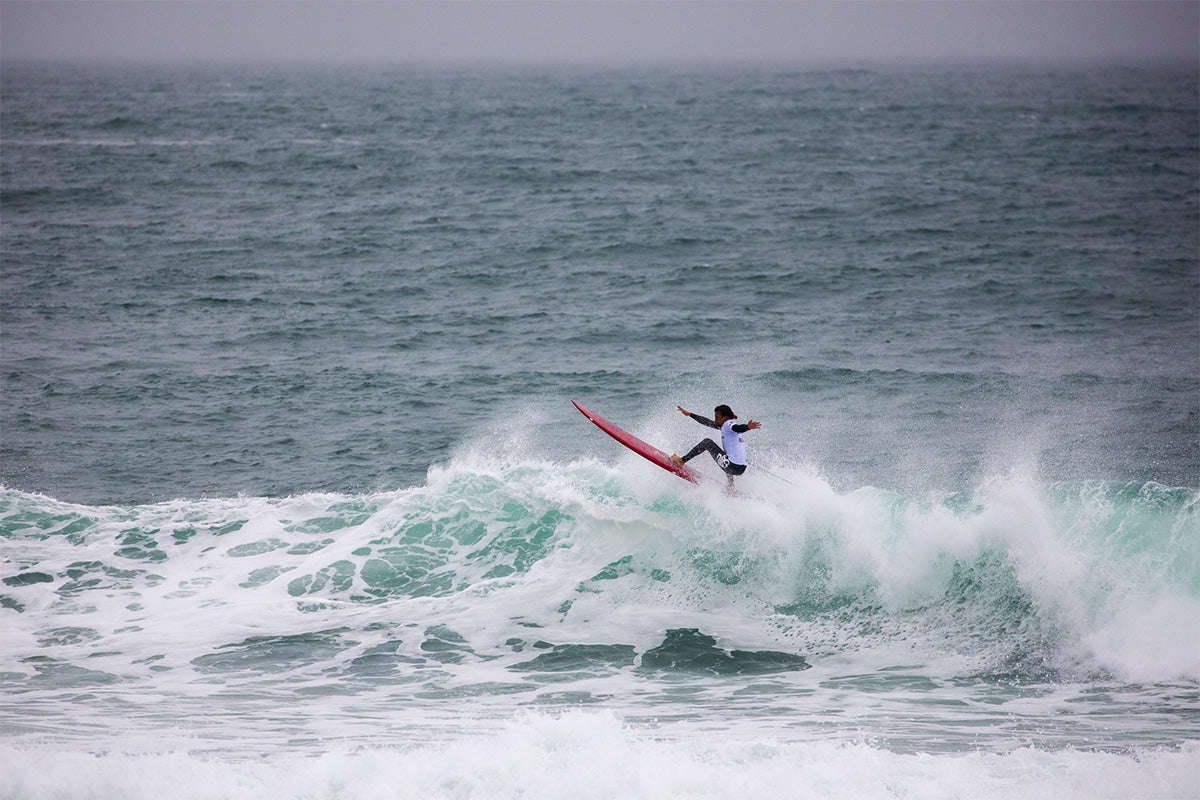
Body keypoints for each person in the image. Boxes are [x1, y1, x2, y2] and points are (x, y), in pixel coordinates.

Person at [671, 404, 762, 484]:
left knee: (707, 443)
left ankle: (682, 461)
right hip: (741, 468)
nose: (715, 420)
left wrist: (747, 427)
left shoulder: (728, 424)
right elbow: (707, 422)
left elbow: (737, 428)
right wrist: (690, 414)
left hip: (732, 466)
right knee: (726, 456)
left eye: (717, 417)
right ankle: (731, 486)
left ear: (725, 418)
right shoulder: (724, 426)